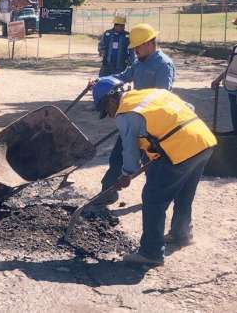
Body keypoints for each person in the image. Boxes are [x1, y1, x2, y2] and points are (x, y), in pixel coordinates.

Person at [92, 77, 216, 265]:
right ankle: (181, 234)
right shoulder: (154, 93)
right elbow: (189, 108)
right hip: (204, 141)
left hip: (182, 149)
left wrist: (126, 175)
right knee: (184, 192)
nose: (109, 115)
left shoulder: (125, 113)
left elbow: (130, 150)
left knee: (153, 197)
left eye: (106, 111)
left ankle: (151, 253)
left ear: (111, 100)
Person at [90, 23, 177, 204]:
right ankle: (108, 192)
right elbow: (122, 76)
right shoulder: (139, 62)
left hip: (152, 125)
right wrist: (100, 80)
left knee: (152, 165)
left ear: (148, 43)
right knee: (118, 156)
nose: (135, 50)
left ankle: (157, 198)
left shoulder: (164, 65)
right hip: (133, 117)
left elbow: (163, 96)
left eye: (137, 46)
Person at [210, 43, 237, 133]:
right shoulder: (235, 48)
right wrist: (218, 79)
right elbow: (229, 67)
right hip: (232, 88)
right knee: (234, 110)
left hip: (232, 87)